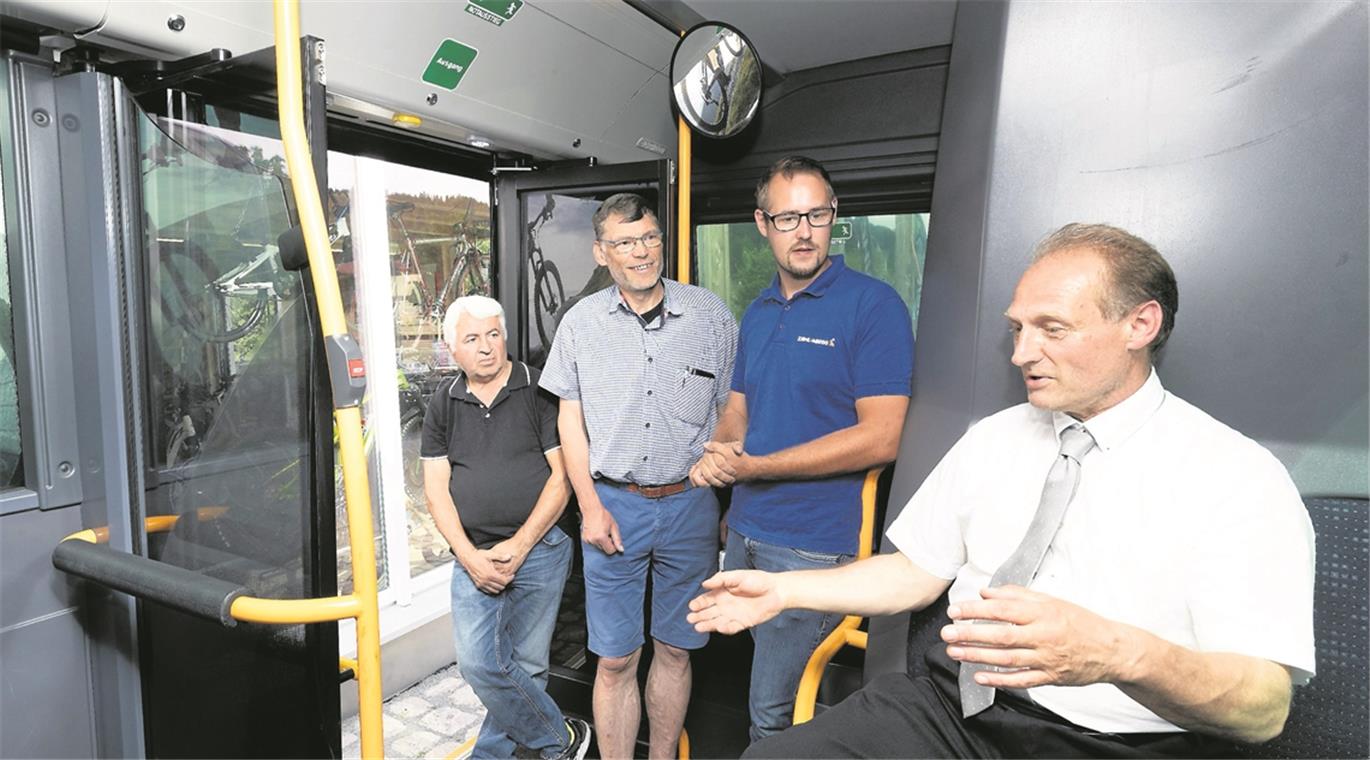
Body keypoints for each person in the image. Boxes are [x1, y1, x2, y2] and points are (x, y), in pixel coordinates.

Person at [688, 223, 1316, 758]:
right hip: (948, 708)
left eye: (1052, 329)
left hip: (1110, 742)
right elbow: (915, 572)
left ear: (1140, 324)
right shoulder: (996, 438)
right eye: (1018, 329)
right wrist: (782, 589)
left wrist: (1117, 654)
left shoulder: (1237, 477)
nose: (1022, 353)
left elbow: (1263, 709)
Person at [688, 155, 914, 742]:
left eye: (816, 214)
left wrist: (756, 466)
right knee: (745, 688)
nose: (804, 230)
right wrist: (721, 453)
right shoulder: (759, 312)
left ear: (834, 216)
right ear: (762, 224)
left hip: (813, 550)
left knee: (773, 714)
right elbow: (739, 405)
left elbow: (882, 437)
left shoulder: (873, 305)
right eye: (788, 218)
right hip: (746, 531)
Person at [539, 192, 738, 759]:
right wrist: (590, 508)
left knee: (676, 650)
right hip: (612, 507)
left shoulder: (709, 315)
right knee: (615, 658)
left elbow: (733, 409)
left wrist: (722, 495)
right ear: (603, 253)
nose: (642, 251)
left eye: (649, 237)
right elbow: (568, 423)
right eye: (626, 243)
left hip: (691, 504)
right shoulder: (579, 324)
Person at [421, 295, 589, 760]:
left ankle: (491, 757)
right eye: (472, 338)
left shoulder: (538, 389)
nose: (487, 347)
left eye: (494, 335)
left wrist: (520, 545)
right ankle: (561, 740)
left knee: (529, 666)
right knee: (479, 664)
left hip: (542, 548)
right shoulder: (443, 402)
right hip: (473, 553)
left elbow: (563, 477)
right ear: (452, 348)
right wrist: (470, 558)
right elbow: (435, 491)